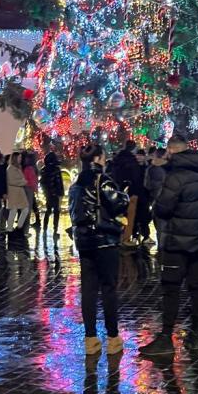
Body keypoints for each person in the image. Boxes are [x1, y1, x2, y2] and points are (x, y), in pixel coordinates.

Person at [140, 132, 198, 358]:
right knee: (197, 286)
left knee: (171, 288)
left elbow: (163, 208)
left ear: (171, 150)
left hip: (176, 240)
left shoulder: (176, 176)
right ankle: (196, 334)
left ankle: (165, 337)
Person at [68, 144, 128, 355]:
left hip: (84, 241)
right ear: (98, 159)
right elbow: (118, 202)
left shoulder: (75, 185)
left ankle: (90, 338)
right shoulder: (103, 180)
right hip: (105, 240)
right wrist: (125, 196)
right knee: (109, 289)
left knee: (89, 291)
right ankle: (113, 338)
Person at [109, 139, 143, 246]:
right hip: (131, 191)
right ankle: (126, 239)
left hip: (118, 191)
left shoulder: (117, 159)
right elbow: (136, 177)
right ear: (133, 148)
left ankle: (118, 236)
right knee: (130, 215)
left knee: (119, 215)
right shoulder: (132, 160)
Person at [5, 152, 29, 243]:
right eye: (19, 157)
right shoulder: (10, 169)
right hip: (14, 193)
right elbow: (12, 181)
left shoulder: (17, 168)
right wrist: (23, 182)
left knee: (24, 209)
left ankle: (18, 228)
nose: (20, 159)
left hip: (19, 192)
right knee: (13, 211)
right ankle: (10, 230)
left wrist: (23, 181)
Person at [40, 150, 64, 238]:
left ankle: (45, 229)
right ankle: (55, 230)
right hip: (55, 194)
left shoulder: (44, 170)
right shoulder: (56, 169)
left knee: (48, 210)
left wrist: (46, 191)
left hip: (48, 194)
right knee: (56, 211)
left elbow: (42, 182)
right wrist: (60, 193)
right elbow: (59, 182)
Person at [21, 152, 39, 230]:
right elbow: (33, 179)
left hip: (27, 188)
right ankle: (25, 228)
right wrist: (35, 188)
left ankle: (24, 228)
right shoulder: (31, 168)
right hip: (29, 189)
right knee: (29, 208)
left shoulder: (27, 168)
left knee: (27, 209)